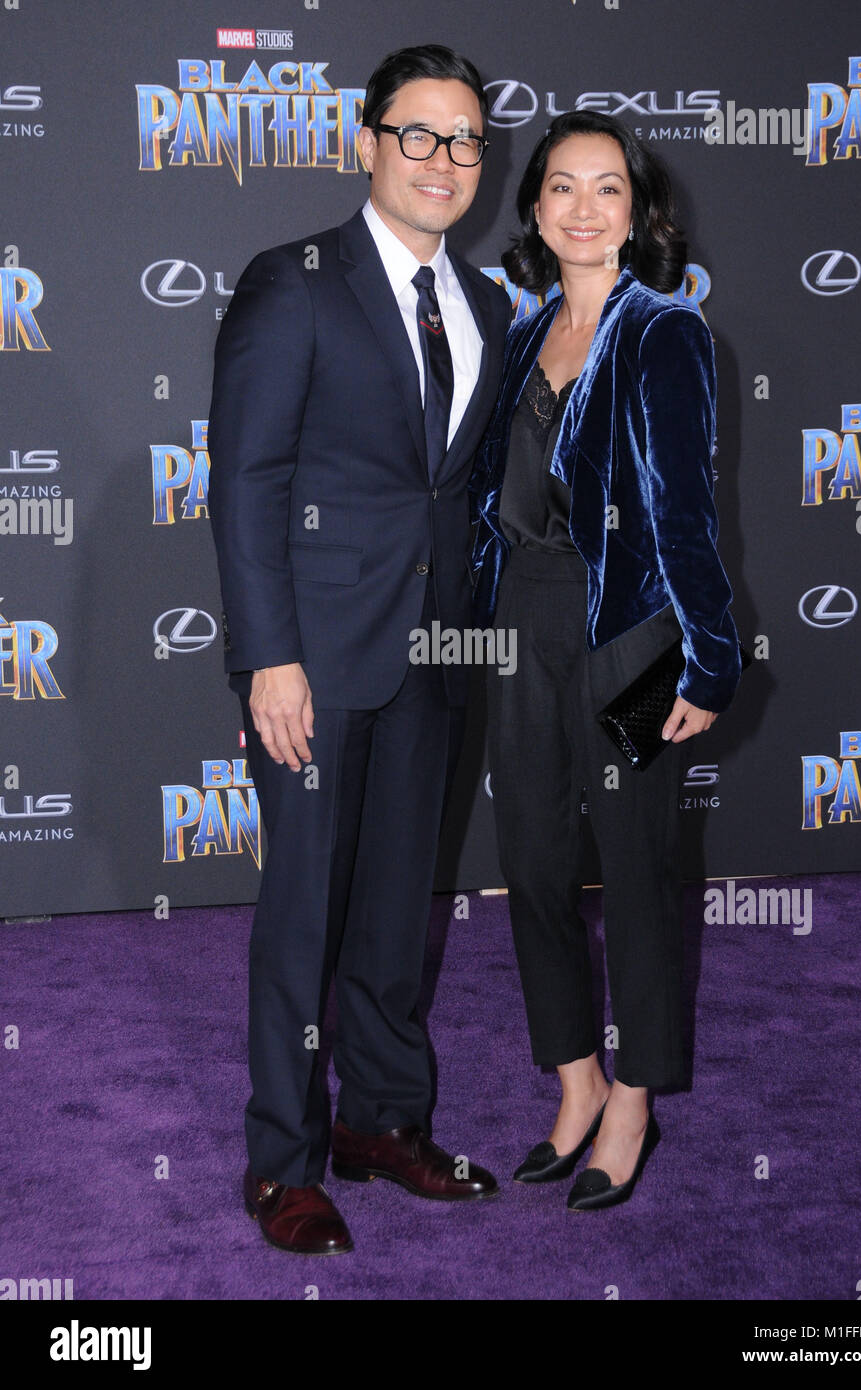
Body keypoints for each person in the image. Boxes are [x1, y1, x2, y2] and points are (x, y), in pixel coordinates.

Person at [207, 44, 512, 1255]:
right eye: (421, 134)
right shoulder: (296, 283)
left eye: (468, 141)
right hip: (315, 666)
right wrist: (269, 656)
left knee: (397, 911)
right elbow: (247, 482)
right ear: (367, 142)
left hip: (433, 657)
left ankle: (382, 1121)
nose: (446, 161)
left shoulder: (485, 304)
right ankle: (283, 1160)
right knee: (303, 915)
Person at [470, 111, 742, 1211]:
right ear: (535, 209)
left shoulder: (666, 333)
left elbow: (686, 517)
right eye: (563, 189)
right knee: (532, 866)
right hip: (520, 631)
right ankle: (574, 1079)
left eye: (608, 189)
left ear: (638, 214)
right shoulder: (517, 337)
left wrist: (709, 661)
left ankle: (633, 1098)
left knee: (632, 869)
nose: (585, 208)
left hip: (631, 637)